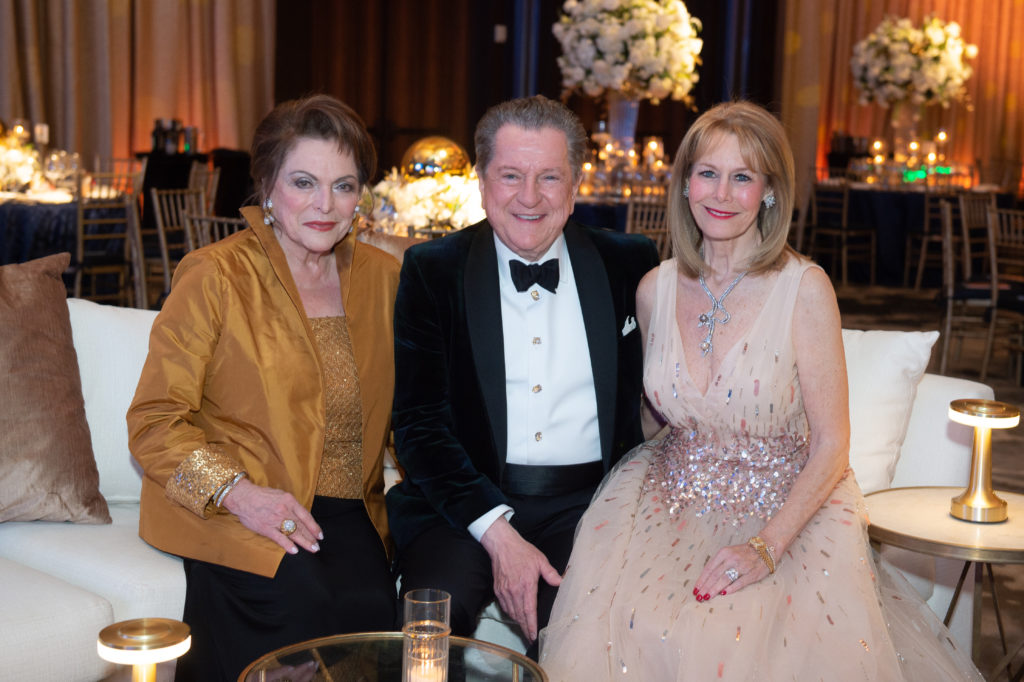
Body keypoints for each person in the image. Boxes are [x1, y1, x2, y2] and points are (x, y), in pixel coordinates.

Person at [539, 101, 982, 680]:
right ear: (685, 184)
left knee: (728, 634)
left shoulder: (804, 289)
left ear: (769, 191)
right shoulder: (654, 289)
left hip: (784, 509)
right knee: (628, 624)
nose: (721, 193)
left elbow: (831, 444)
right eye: (707, 173)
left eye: (742, 177)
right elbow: (654, 417)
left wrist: (764, 548)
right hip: (667, 498)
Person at [127, 94, 400, 681]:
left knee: (375, 623)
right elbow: (153, 421)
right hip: (238, 508)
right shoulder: (216, 275)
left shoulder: (385, 279)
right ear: (268, 186)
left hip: (347, 513)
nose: (326, 206)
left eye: (345, 186)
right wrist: (239, 494)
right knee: (300, 614)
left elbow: (417, 414)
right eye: (305, 182)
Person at [386, 95, 660, 654]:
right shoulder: (431, 270)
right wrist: (497, 532)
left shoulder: (630, 265)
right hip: (461, 504)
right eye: (510, 175)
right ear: (482, 181)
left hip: (586, 507)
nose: (529, 197)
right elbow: (416, 426)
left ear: (576, 185)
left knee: (579, 636)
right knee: (426, 633)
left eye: (549, 177)